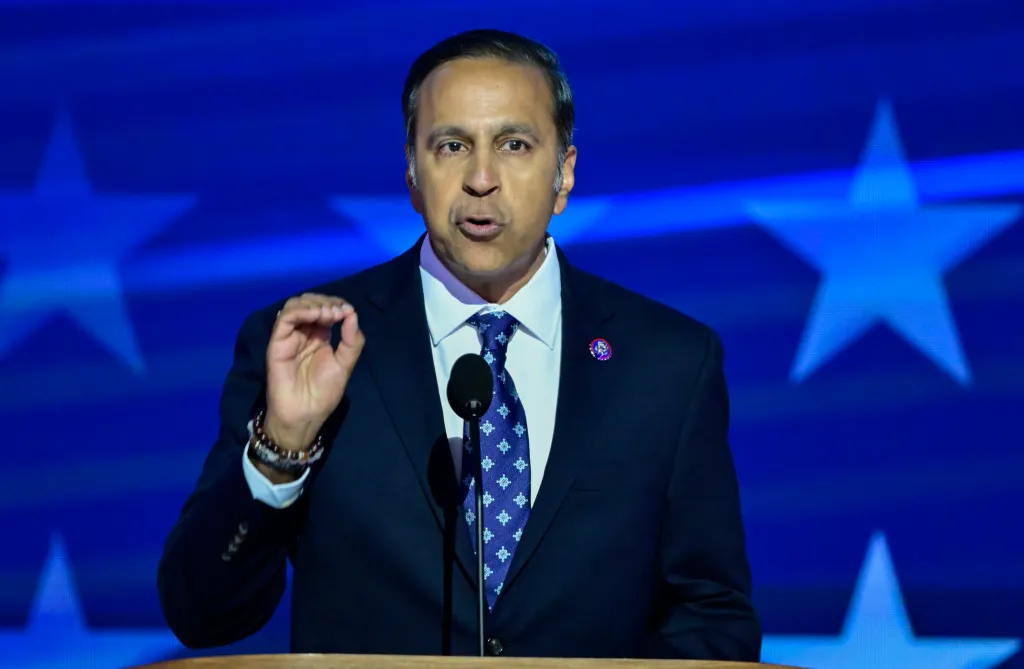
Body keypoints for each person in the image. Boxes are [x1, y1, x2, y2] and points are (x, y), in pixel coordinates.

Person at [157, 28, 761, 660]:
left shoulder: (667, 363)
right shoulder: (313, 345)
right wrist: (282, 448)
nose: (481, 179)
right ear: (413, 173)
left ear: (564, 174)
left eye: (514, 144)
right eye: (452, 146)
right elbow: (202, 615)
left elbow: (712, 617)